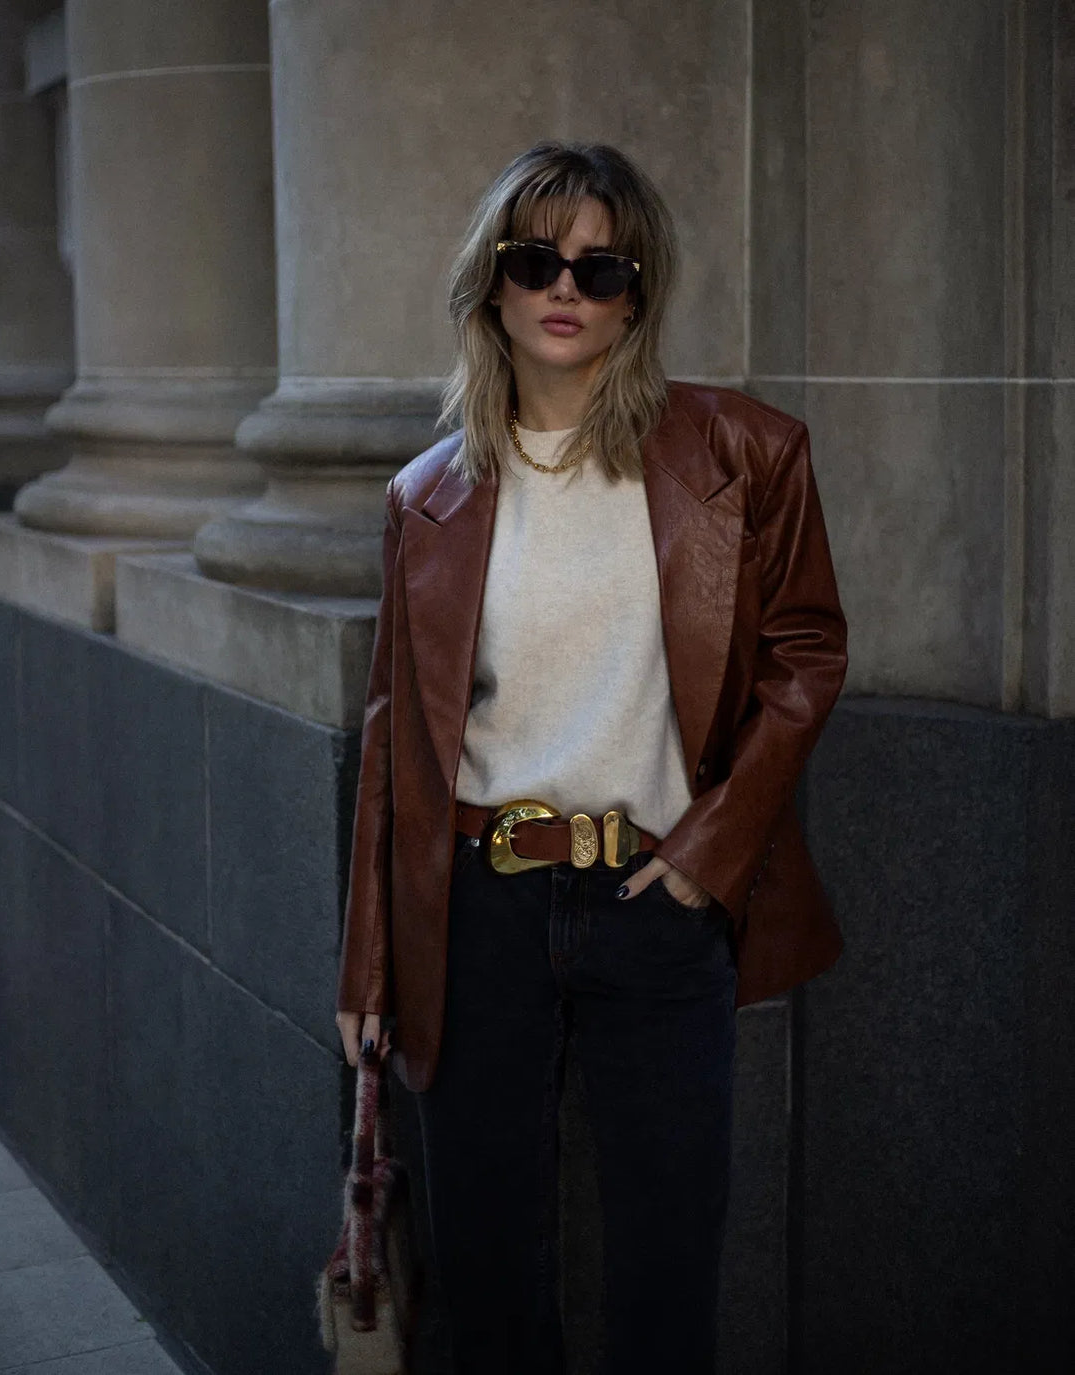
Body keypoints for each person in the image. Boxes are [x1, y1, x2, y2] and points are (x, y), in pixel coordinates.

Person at [335, 141, 847, 1375]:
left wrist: (709, 854)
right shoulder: (425, 497)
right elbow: (394, 736)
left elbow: (805, 655)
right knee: (489, 1276)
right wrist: (370, 960)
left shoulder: (742, 454)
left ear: (634, 294)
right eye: (536, 260)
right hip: (477, 908)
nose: (565, 287)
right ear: (492, 283)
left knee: (667, 1267)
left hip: (657, 900)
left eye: (600, 267)